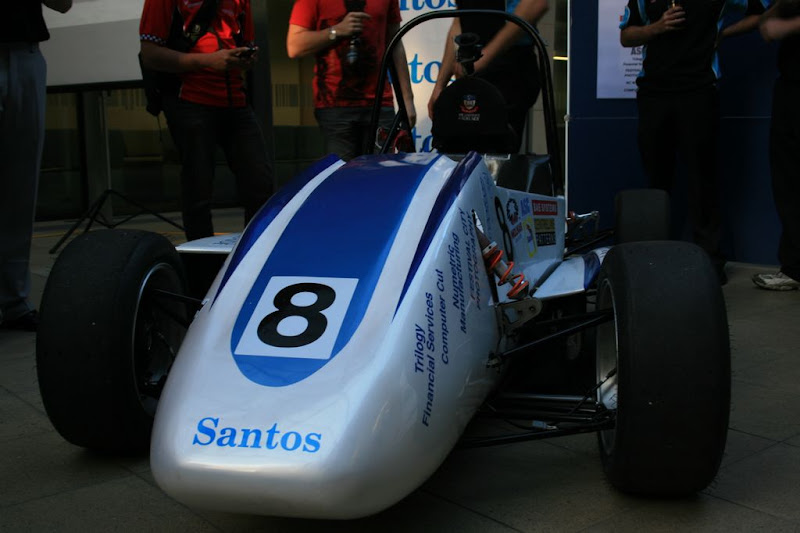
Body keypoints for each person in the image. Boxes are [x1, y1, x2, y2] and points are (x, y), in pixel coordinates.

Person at [619, 0, 768, 284]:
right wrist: (657, 27)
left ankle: (710, 262)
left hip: (699, 91)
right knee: (656, 180)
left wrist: (723, 33)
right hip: (654, 92)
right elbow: (627, 36)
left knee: (703, 179)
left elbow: (761, 12)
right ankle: (653, 259)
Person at [140, 0, 273, 242]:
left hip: (236, 101)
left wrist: (247, 57)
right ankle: (200, 262)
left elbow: (248, 44)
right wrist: (209, 60)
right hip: (189, 100)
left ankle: (253, 254)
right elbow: (150, 55)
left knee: (260, 186)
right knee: (198, 192)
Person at [0, 0, 72, 331]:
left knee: (21, 186)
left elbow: (63, 4)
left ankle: (14, 301)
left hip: (25, 53)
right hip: (21, 55)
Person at [286, 0, 416, 161]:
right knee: (342, 172)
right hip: (334, 106)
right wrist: (336, 31)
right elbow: (294, 46)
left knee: (382, 170)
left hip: (379, 103)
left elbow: (395, 43)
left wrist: (407, 100)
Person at [428, 0, 549, 152]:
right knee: (458, 151)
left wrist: (483, 59)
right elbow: (460, 22)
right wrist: (440, 86)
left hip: (508, 71)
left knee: (496, 154)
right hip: (471, 71)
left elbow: (535, 4)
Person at [752, 0, 800, 290]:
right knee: (788, 182)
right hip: (790, 86)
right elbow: (767, 25)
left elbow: (776, 28)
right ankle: (794, 268)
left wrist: (789, 25)